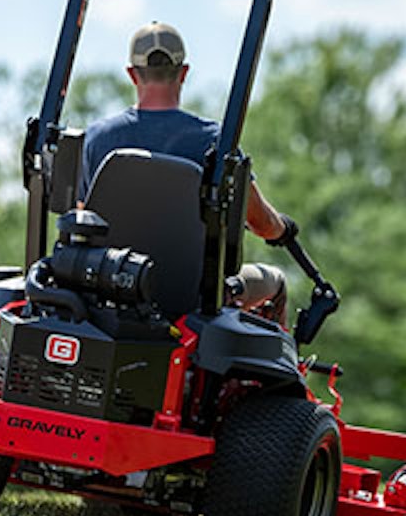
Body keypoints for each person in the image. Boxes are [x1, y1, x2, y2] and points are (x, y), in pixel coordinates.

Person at [79, 21, 294, 325]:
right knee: (276, 282)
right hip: (192, 298)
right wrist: (282, 228)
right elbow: (260, 223)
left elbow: (82, 219)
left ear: (131, 74)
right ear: (184, 73)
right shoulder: (214, 141)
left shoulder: (97, 138)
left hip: (106, 292)